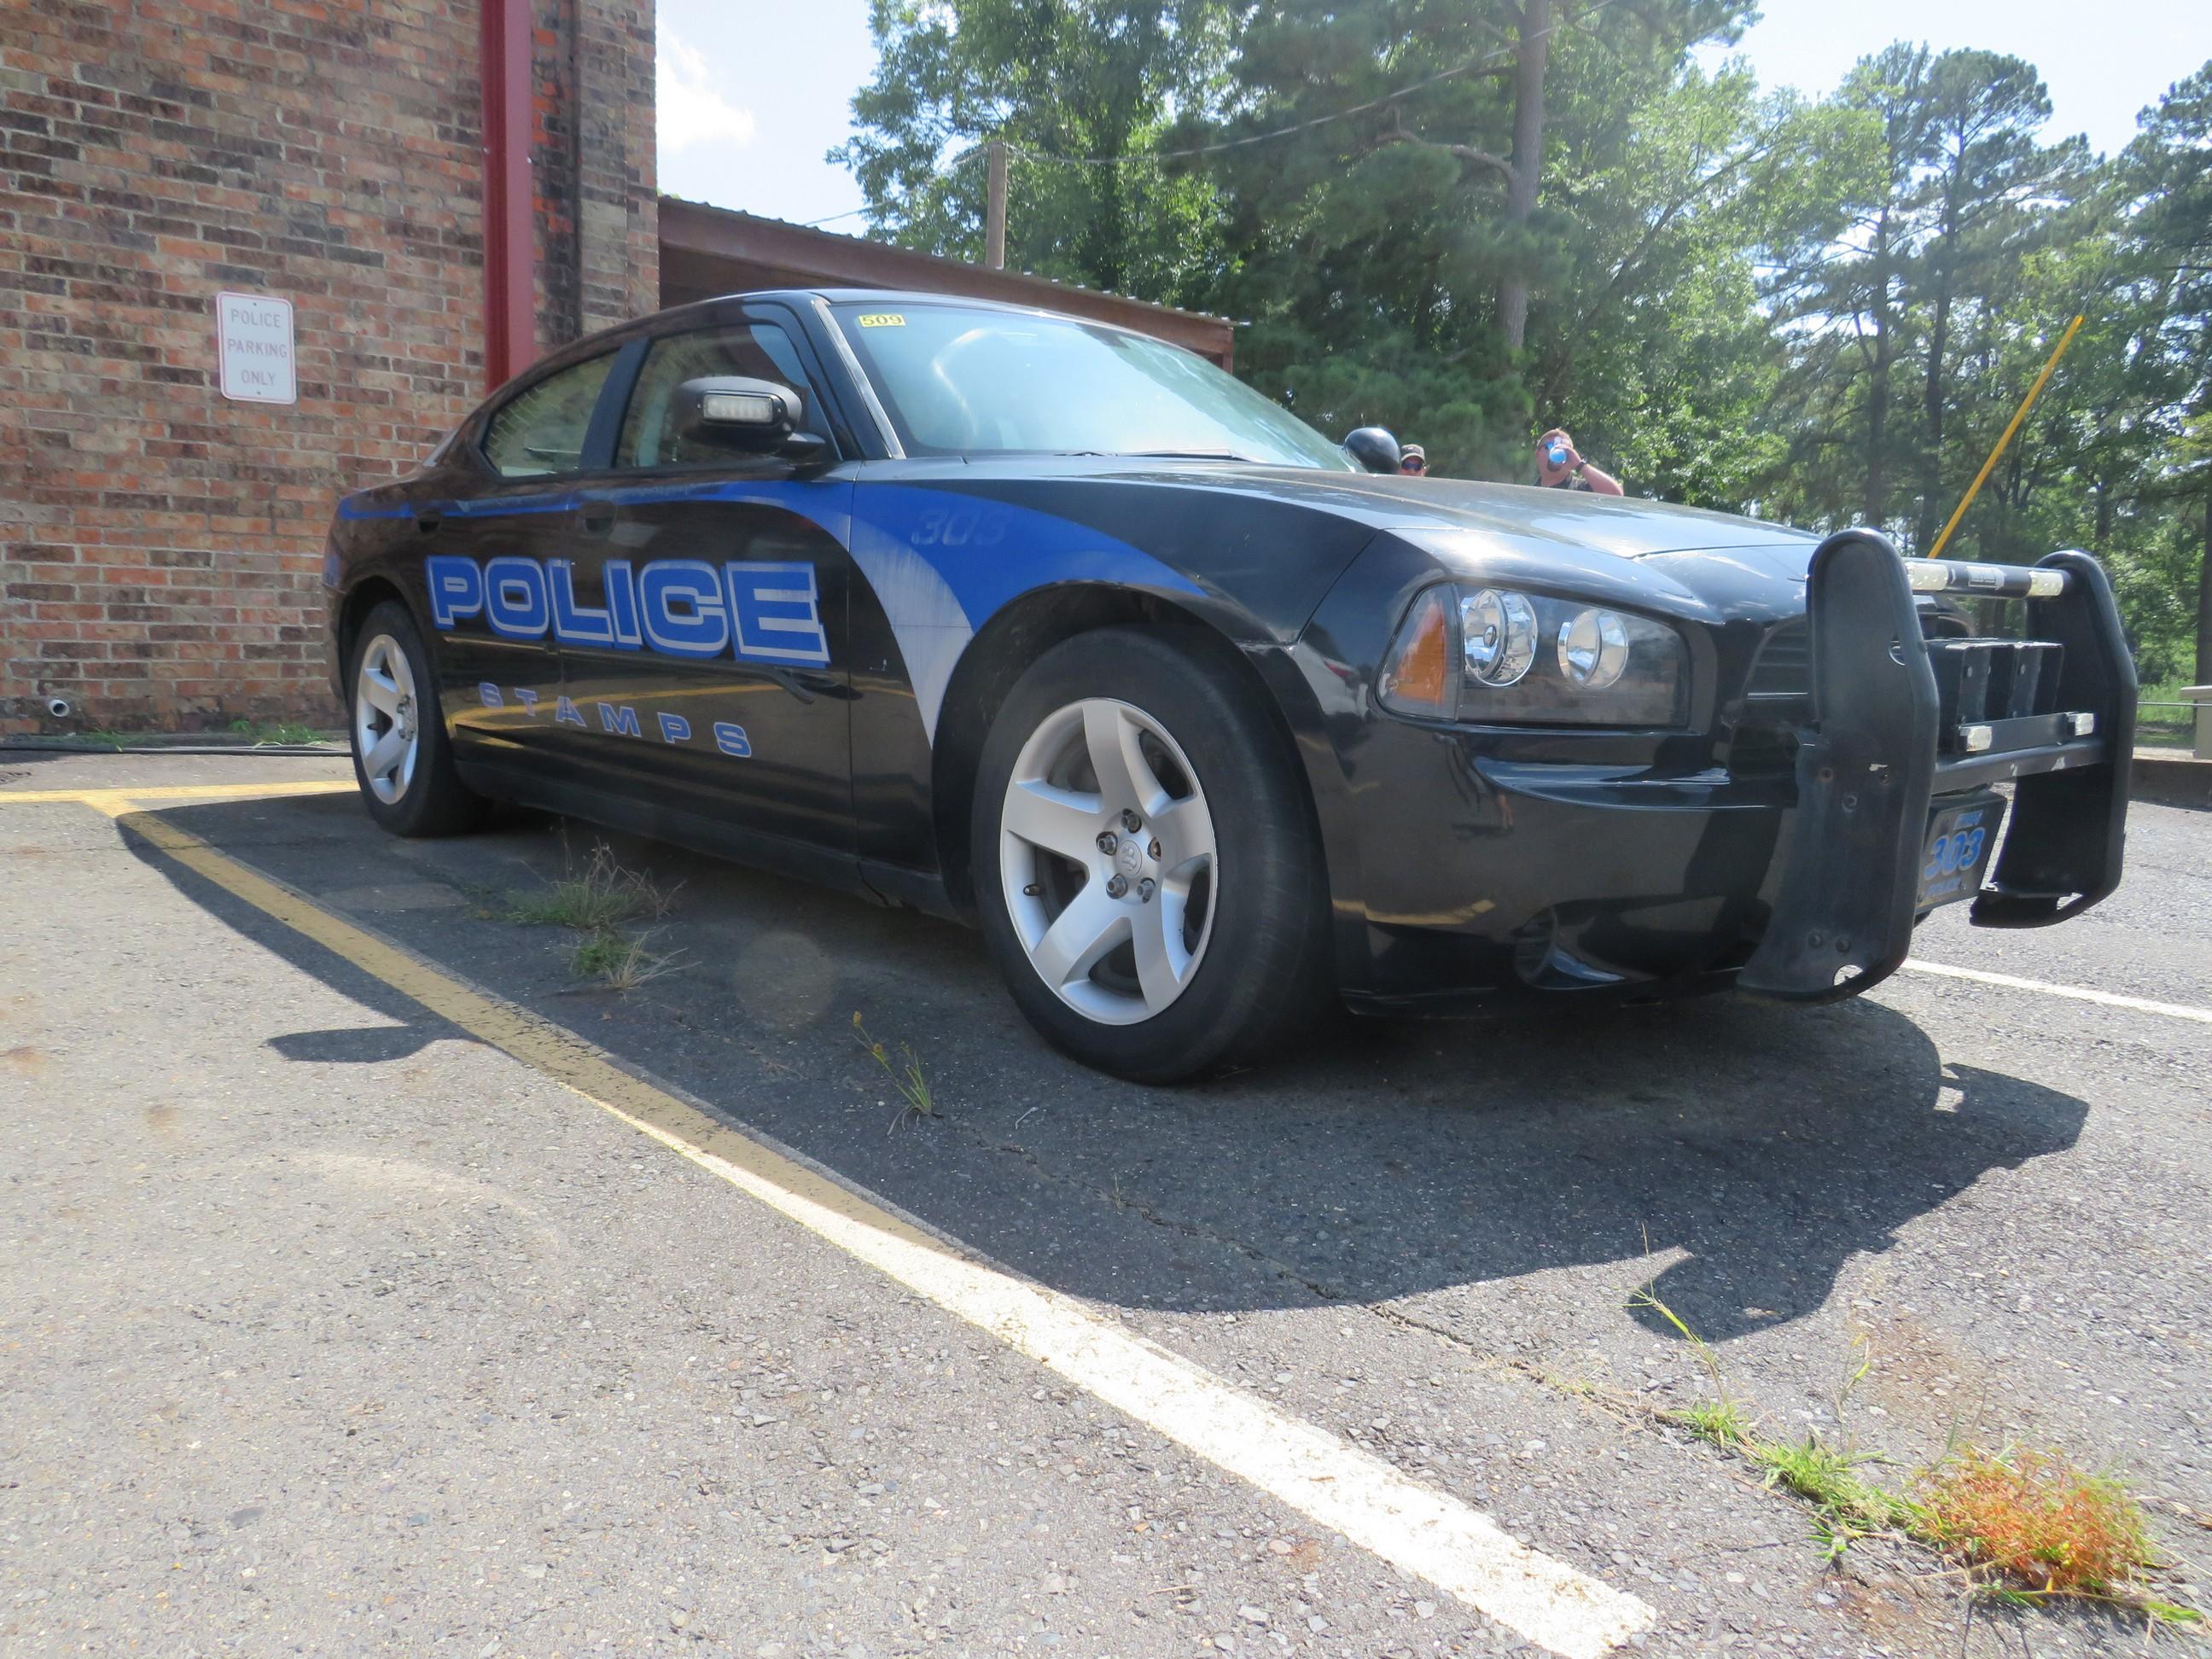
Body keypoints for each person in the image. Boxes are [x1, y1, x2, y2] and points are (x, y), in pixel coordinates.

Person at [1534, 428, 1622, 496]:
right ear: (1538, 453)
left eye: (1565, 450)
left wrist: (1580, 465)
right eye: (1550, 447)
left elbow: (1616, 495)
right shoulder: (1530, 492)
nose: (1556, 451)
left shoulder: (1582, 489)